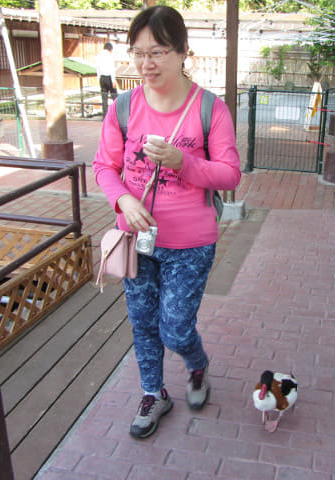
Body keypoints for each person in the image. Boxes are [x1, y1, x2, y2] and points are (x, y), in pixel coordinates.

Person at [92, 6, 241, 439]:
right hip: (137, 238)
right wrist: (122, 199)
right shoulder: (123, 107)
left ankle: (196, 365)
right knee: (142, 322)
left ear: (182, 53)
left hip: (191, 243)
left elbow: (230, 174)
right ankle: (153, 393)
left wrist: (184, 162)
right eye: (137, 53)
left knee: (174, 327)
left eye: (157, 52)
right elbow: (104, 166)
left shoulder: (210, 108)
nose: (146, 64)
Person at [96, 42, 118, 116]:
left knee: (104, 97)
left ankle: (104, 115)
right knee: (115, 97)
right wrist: (113, 81)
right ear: (110, 49)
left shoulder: (98, 56)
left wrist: (99, 79)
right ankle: (117, 114)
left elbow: (97, 69)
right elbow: (111, 69)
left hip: (102, 78)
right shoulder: (110, 56)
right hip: (109, 78)